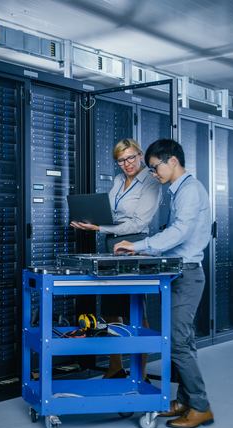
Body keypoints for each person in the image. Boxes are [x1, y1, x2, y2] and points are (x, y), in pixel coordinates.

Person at [114, 139, 214, 428]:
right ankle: (184, 400)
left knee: (178, 343)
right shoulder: (180, 190)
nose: (153, 173)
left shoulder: (190, 191)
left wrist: (139, 245)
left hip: (188, 274)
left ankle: (201, 406)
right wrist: (148, 250)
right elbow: (175, 236)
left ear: (172, 161)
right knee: (185, 341)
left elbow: (181, 232)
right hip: (179, 272)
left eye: (155, 167)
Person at [70, 138, 161, 380]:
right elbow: (109, 212)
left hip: (135, 247)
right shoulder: (119, 180)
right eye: (121, 160)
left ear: (140, 155)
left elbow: (139, 222)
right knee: (111, 309)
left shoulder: (151, 182)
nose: (127, 163)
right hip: (112, 246)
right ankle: (115, 366)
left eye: (131, 157)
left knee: (135, 311)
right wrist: (90, 220)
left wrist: (99, 227)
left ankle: (140, 373)